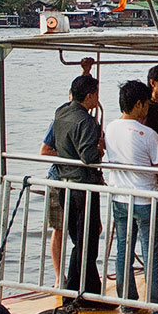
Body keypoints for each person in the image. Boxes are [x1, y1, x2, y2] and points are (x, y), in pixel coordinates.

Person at [104, 80, 158, 309]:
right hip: (146, 198)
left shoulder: (110, 128)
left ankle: (127, 302)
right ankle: (156, 305)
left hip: (120, 197)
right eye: (146, 104)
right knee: (151, 253)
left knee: (123, 249)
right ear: (139, 104)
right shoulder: (148, 134)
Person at [40, 58, 96, 285]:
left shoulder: (66, 114)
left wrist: (86, 72)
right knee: (62, 229)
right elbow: (45, 150)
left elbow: (76, 97)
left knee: (81, 233)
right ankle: (60, 278)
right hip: (63, 178)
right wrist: (71, 158)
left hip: (68, 178)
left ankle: (76, 280)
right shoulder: (65, 118)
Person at [52, 74, 104, 294]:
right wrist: (100, 147)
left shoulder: (61, 112)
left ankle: (87, 288)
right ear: (90, 96)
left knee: (79, 239)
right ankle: (78, 290)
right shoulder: (86, 121)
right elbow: (89, 156)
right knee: (87, 242)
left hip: (65, 183)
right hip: (83, 185)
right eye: (96, 94)